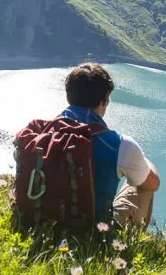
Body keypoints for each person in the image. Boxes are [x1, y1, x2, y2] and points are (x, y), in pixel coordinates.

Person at [60, 62, 160, 229]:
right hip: (93, 231)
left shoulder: (43, 132)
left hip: (42, 218)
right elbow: (153, 184)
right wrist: (144, 161)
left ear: (68, 97)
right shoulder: (118, 143)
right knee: (147, 179)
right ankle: (131, 244)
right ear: (104, 101)